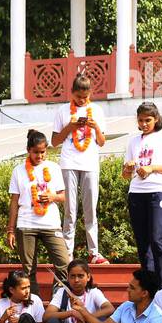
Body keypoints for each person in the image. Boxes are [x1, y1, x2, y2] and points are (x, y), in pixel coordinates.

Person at [51, 73, 109, 266]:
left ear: (90, 94)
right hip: (68, 163)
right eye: (78, 97)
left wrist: (96, 128)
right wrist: (70, 127)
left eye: (85, 97)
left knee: (90, 208)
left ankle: (94, 252)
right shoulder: (62, 111)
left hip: (90, 163)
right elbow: (54, 141)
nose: (82, 101)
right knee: (70, 210)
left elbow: (101, 142)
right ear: (72, 94)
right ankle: (67, 253)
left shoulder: (97, 110)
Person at [7, 129, 71, 297]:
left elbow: (64, 196)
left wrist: (52, 197)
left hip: (50, 223)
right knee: (28, 270)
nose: (40, 156)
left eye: (43, 152)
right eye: (36, 152)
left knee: (63, 264)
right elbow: (14, 202)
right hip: (26, 224)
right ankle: (33, 306)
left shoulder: (54, 168)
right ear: (28, 150)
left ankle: (58, 300)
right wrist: (10, 230)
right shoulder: (18, 171)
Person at [123, 102, 162, 274]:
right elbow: (126, 175)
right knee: (142, 242)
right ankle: (149, 283)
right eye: (140, 121)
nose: (143, 124)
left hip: (157, 192)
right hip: (136, 193)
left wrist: (152, 168)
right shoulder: (133, 141)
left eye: (147, 120)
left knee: (157, 238)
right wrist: (128, 168)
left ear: (156, 119)